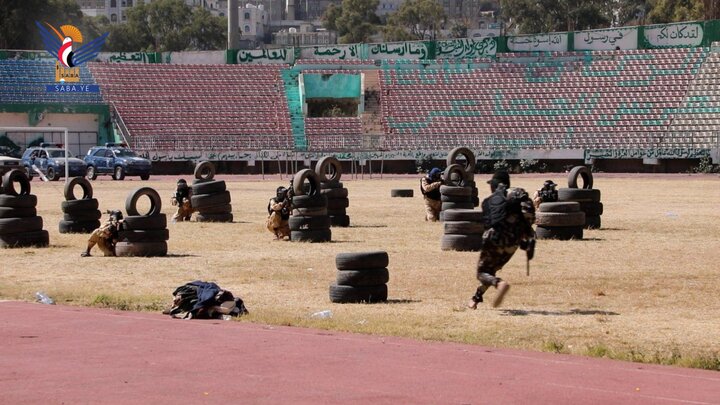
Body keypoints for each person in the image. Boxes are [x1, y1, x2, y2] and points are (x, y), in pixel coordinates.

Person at [468, 171, 536, 309]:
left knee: (482, 273)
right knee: (491, 270)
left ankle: (499, 284)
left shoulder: (491, 201)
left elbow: (488, 224)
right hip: (513, 242)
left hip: (495, 239)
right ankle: (475, 299)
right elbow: (530, 220)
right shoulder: (520, 196)